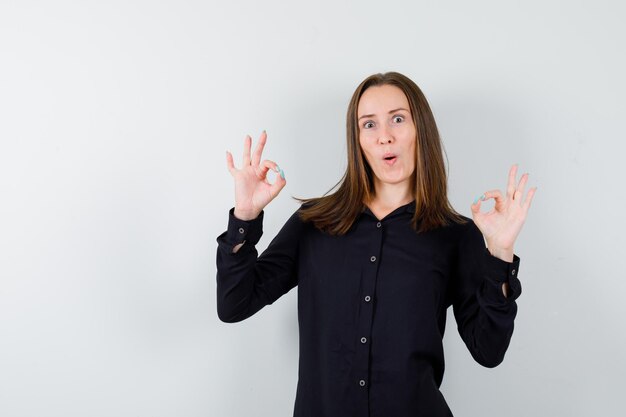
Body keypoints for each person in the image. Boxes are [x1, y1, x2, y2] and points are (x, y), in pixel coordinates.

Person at [216, 71, 536, 417]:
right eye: (369, 124)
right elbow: (234, 304)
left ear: (420, 131)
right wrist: (245, 217)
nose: (385, 136)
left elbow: (488, 351)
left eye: (398, 119)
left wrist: (501, 253)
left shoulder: (455, 235)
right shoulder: (314, 223)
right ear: (358, 140)